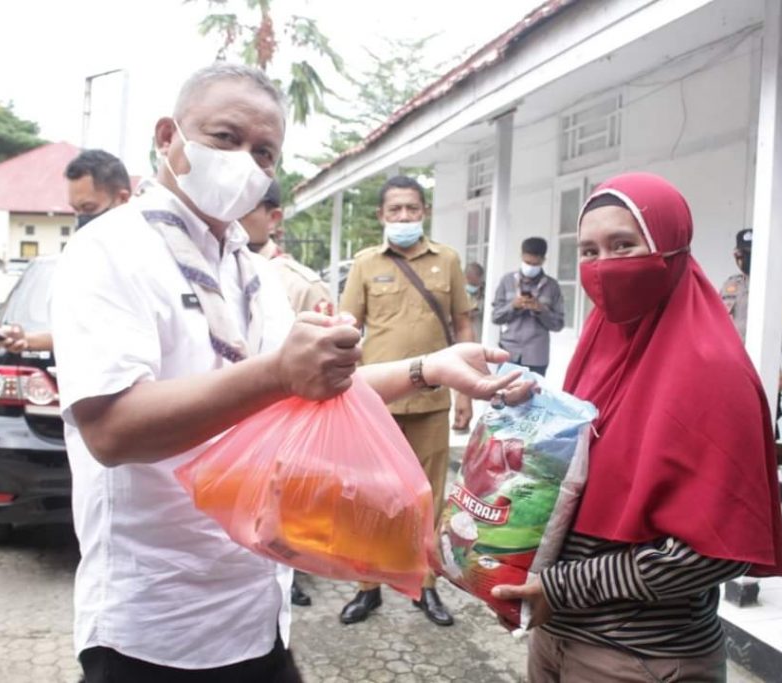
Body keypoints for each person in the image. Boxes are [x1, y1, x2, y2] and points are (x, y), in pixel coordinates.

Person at [50, 63, 516, 682]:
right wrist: (276, 373)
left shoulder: (250, 272)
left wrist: (430, 368)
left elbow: (311, 390)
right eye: (225, 138)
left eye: (264, 152)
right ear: (168, 137)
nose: (245, 162)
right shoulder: (110, 250)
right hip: (156, 623)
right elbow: (112, 431)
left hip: (254, 604)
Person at [491, 173, 782, 682]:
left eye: (623, 245)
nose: (603, 267)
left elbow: (716, 552)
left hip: (640, 658)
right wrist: (529, 419)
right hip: (555, 634)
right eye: (588, 251)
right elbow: (582, 467)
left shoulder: (713, 370)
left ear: (671, 249)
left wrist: (561, 587)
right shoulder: (599, 341)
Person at [337, 175, 476, 627]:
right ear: (381, 216)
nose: (403, 217)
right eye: (394, 210)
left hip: (432, 404)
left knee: (428, 500)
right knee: (369, 497)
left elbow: (462, 328)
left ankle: (425, 586)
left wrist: (466, 392)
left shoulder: (448, 261)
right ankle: (367, 587)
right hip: (375, 404)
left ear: (424, 212)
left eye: (411, 209)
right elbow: (347, 329)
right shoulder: (364, 264)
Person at [240, 178, 330, 608]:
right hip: (238, 428)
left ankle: (288, 572)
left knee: (285, 504)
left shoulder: (298, 282)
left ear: (273, 218)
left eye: (247, 208)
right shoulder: (221, 269)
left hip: (288, 422)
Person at [0, 149, 131, 353]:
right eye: (76, 210)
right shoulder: (87, 260)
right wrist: (27, 340)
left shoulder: (150, 262)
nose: (80, 219)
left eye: (88, 208)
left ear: (122, 199)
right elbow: (85, 334)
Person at [720, 228, 782, 396]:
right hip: (729, 377)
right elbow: (715, 328)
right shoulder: (730, 285)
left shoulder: (781, 287)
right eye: (741, 253)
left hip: (762, 380)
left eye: (750, 253)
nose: (743, 258)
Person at [242, 179, 333, 317]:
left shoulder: (302, 288)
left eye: (243, 207)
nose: (230, 216)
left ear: (273, 218)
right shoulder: (214, 274)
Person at [491, 237, 564, 376]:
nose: (530, 266)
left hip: (536, 356)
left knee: (534, 397)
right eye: (527, 262)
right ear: (521, 256)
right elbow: (496, 317)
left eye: (534, 263)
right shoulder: (507, 281)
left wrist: (540, 310)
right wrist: (513, 306)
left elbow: (558, 325)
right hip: (508, 353)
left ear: (543, 261)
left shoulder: (552, 286)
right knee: (503, 395)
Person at [464, 262, 486, 343]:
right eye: (472, 284)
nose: (476, 286)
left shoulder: (485, 293)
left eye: (477, 283)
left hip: (478, 336)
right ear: (465, 278)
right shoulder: (456, 292)